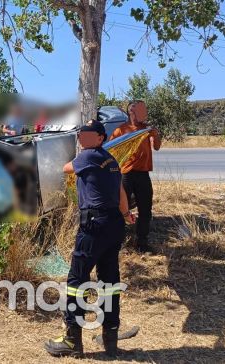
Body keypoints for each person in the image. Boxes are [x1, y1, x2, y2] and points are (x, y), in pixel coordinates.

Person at [45, 119, 135, 358]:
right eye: (81, 134)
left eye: (87, 134)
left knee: (76, 282)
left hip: (94, 226)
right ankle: (110, 340)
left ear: (99, 138)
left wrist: (73, 156)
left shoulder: (88, 156)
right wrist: (126, 214)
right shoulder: (112, 162)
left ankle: (72, 340)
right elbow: (120, 192)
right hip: (114, 223)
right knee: (109, 282)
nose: (82, 138)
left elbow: (66, 168)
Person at [109, 100, 161, 252]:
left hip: (143, 175)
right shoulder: (121, 130)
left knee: (145, 210)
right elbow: (111, 151)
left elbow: (156, 147)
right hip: (125, 175)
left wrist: (155, 134)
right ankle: (118, 243)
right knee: (120, 209)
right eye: (136, 110)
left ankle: (142, 244)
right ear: (130, 112)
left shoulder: (147, 130)